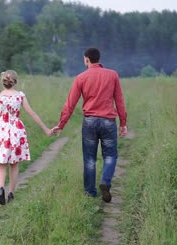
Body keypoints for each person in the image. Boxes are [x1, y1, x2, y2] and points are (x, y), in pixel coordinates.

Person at [52, 48, 127, 203]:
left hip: (90, 122)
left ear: (86, 59)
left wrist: (61, 124)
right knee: (110, 155)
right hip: (108, 122)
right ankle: (105, 182)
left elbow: (70, 104)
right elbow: (119, 100)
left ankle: (90, 193)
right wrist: (123, 123)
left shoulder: (81, 77)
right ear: (98, 59)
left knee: (89, 159)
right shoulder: (112, 75)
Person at [0, 70, 52, 205]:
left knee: (1, 163)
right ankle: (11, 192)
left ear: (3, 82)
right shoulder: (20, 96)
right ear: (15, 82)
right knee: (14, 163)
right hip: (16, 130)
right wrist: (45, 129)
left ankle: (1, 189)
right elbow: (32, 113)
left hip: (2, 129)